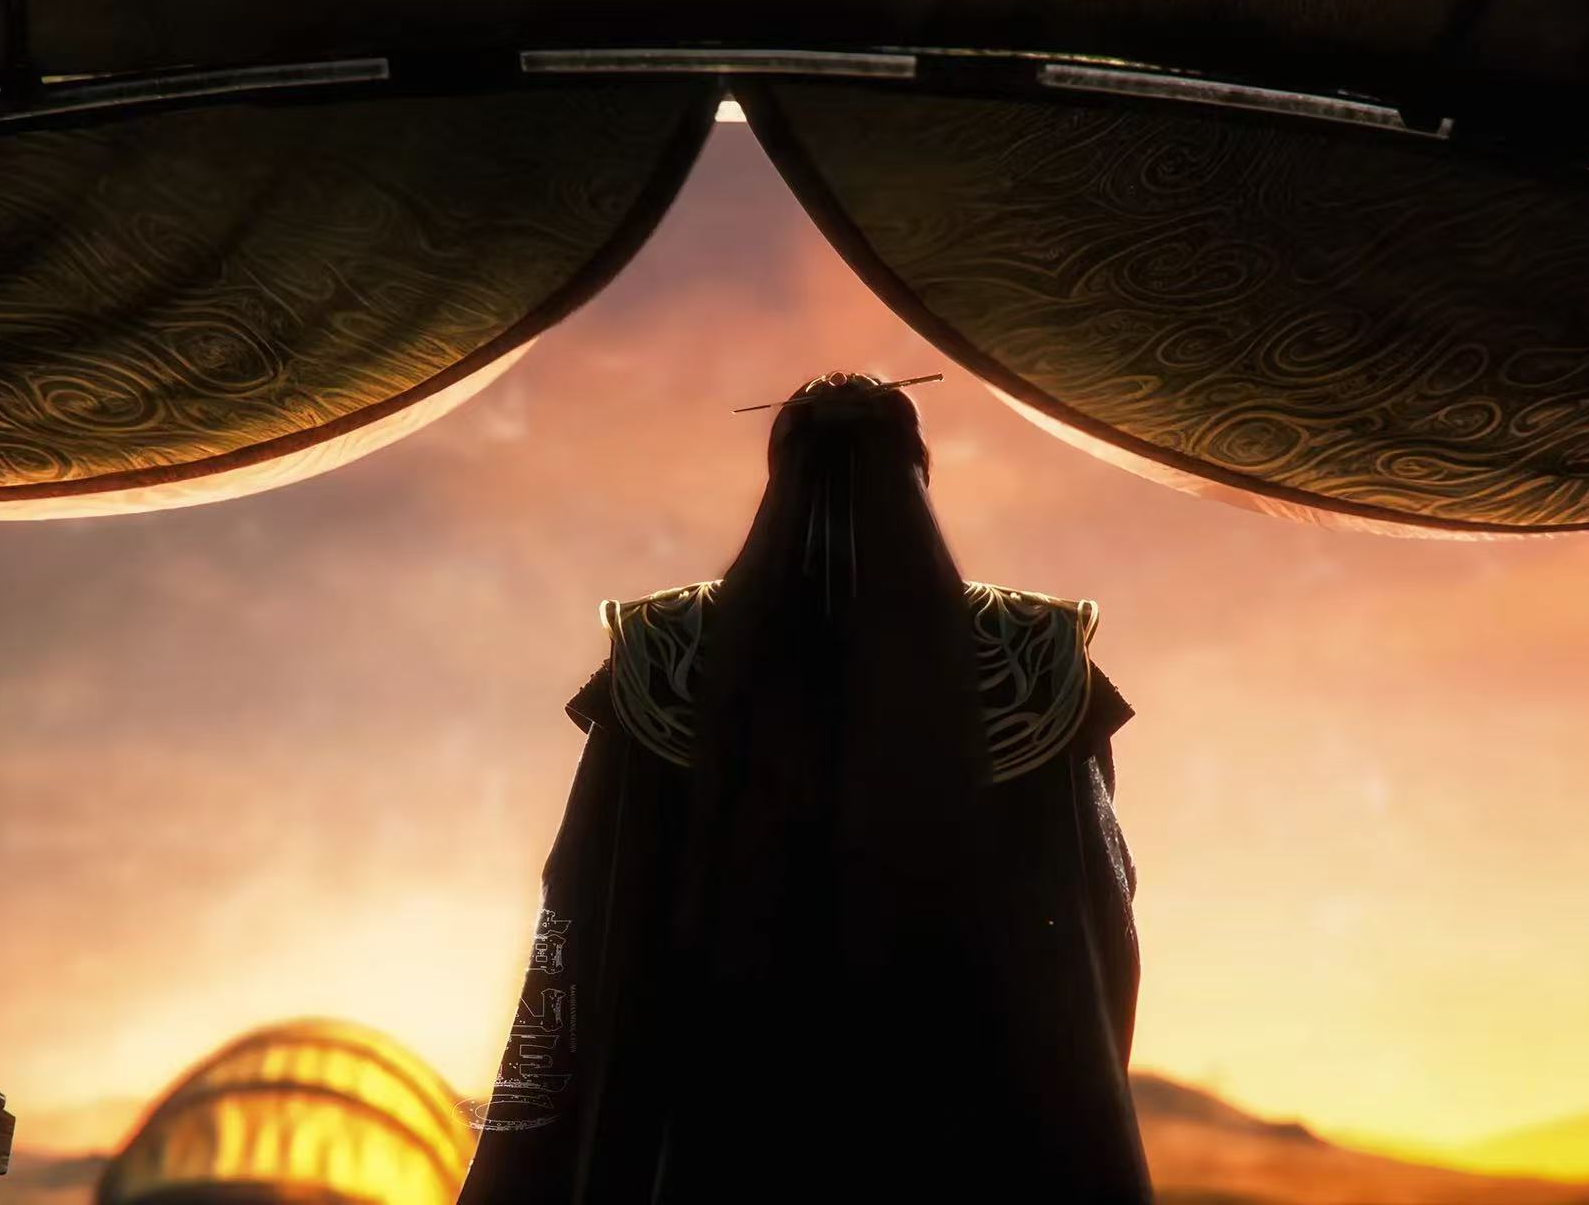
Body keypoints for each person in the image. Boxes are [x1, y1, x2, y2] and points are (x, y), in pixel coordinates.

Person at [458, 372, 1152, 1203]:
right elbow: (1094, 923)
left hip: (712, 1105)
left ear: (777, 468)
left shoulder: (667, 652)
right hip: (959, 1108)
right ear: (917, 468)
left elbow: (585, 906)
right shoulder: (1028, 655)